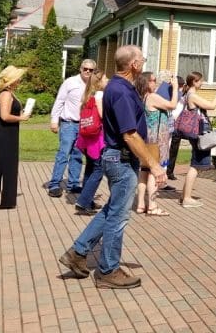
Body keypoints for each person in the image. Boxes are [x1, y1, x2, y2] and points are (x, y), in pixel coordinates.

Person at [59, 45, 167, 289]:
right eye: (142, 60)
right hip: (120, 158)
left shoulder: (119, 88)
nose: (143, 63)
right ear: (134, 65)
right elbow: (129, 134)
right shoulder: (121, 91)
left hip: (117, 157)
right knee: (118, 216)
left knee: (111, 210)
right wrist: (154, 165)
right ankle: (108, 270)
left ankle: (77, 252)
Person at [47, 59, 97, 197]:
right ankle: (54, 184)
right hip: (69, 123)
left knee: (77, 155)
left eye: (90, 70)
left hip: (84, 125)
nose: (87, 71)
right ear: (80, 69)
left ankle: (73, 184)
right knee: (63, 153)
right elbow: (60, 101)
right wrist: (54, 121)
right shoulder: (70, 82)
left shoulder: (93, 85)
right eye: (85, 69)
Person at [0, 65, 31, 209]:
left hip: (8, 132)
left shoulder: (10, 93)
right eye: (18, 78)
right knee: (3, 165)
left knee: (5, 165)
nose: (20, 80)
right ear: (12, 80)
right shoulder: (6, 94)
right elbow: (4, 116)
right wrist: (21, 118)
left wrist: (21, 113)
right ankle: (1, 201)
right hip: (2, 132)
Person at [179, 71, 216, 208]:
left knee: (195, 164)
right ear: (194, 82)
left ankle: (184, 196)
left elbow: (211, 105)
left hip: (197, 132)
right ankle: (187, 199)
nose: (202, 83)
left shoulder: (190, 94)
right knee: (196, 165)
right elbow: (211, 106)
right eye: (200, 81)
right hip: (199, 133)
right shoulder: (192, 95)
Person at [134, 71, 178, 215]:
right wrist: (176, 87)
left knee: (144, 171)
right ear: (146, 83)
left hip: (146, 139)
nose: (155, 83)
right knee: (154, 171)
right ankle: (152, 206)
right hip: (156, 141)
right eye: (153, 80)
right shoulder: (152, 96)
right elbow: (172, 105)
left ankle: (140, 204)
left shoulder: (143, 97)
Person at [73, 69, 108, 215]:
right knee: (99, 170)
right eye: (106, 78)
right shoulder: (100, 95)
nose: (108, 81)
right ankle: (83, 202)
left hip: (86, 137)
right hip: (96, 138)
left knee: (90, 168)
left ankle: (88, 200)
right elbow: (102, 115)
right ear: (99, 82)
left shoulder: (87, 95)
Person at [164, 75, 186, 181]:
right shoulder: (170, 96)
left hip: (174, 127)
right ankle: (165, 174)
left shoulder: (181, 96)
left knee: (172, 151)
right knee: (167, 151)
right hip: (169, 126)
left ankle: (169, 172)